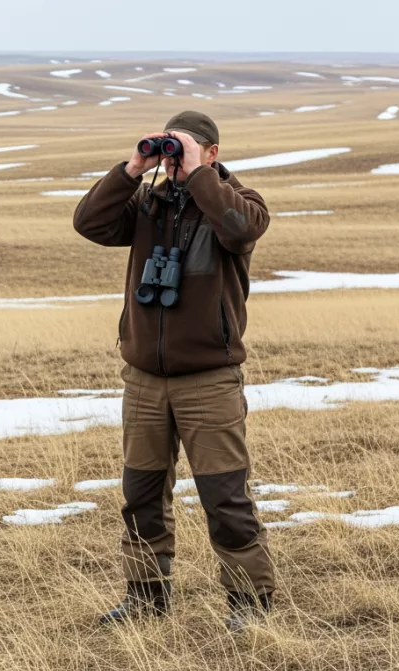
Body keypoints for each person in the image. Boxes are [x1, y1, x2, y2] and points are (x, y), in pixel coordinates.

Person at [72, 111, 274, 630]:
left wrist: (200, 174)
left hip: (209, 379)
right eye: (169, 150)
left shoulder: (239, 205)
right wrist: (132, 168)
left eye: (185, 150)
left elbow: (238, 229)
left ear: (212, 153)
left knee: (224, 497)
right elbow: (89, 223)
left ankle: (249, 604)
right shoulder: (147, 204)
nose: (174, 160)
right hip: (143, 379)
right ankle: (146, 596)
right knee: (141, 495)